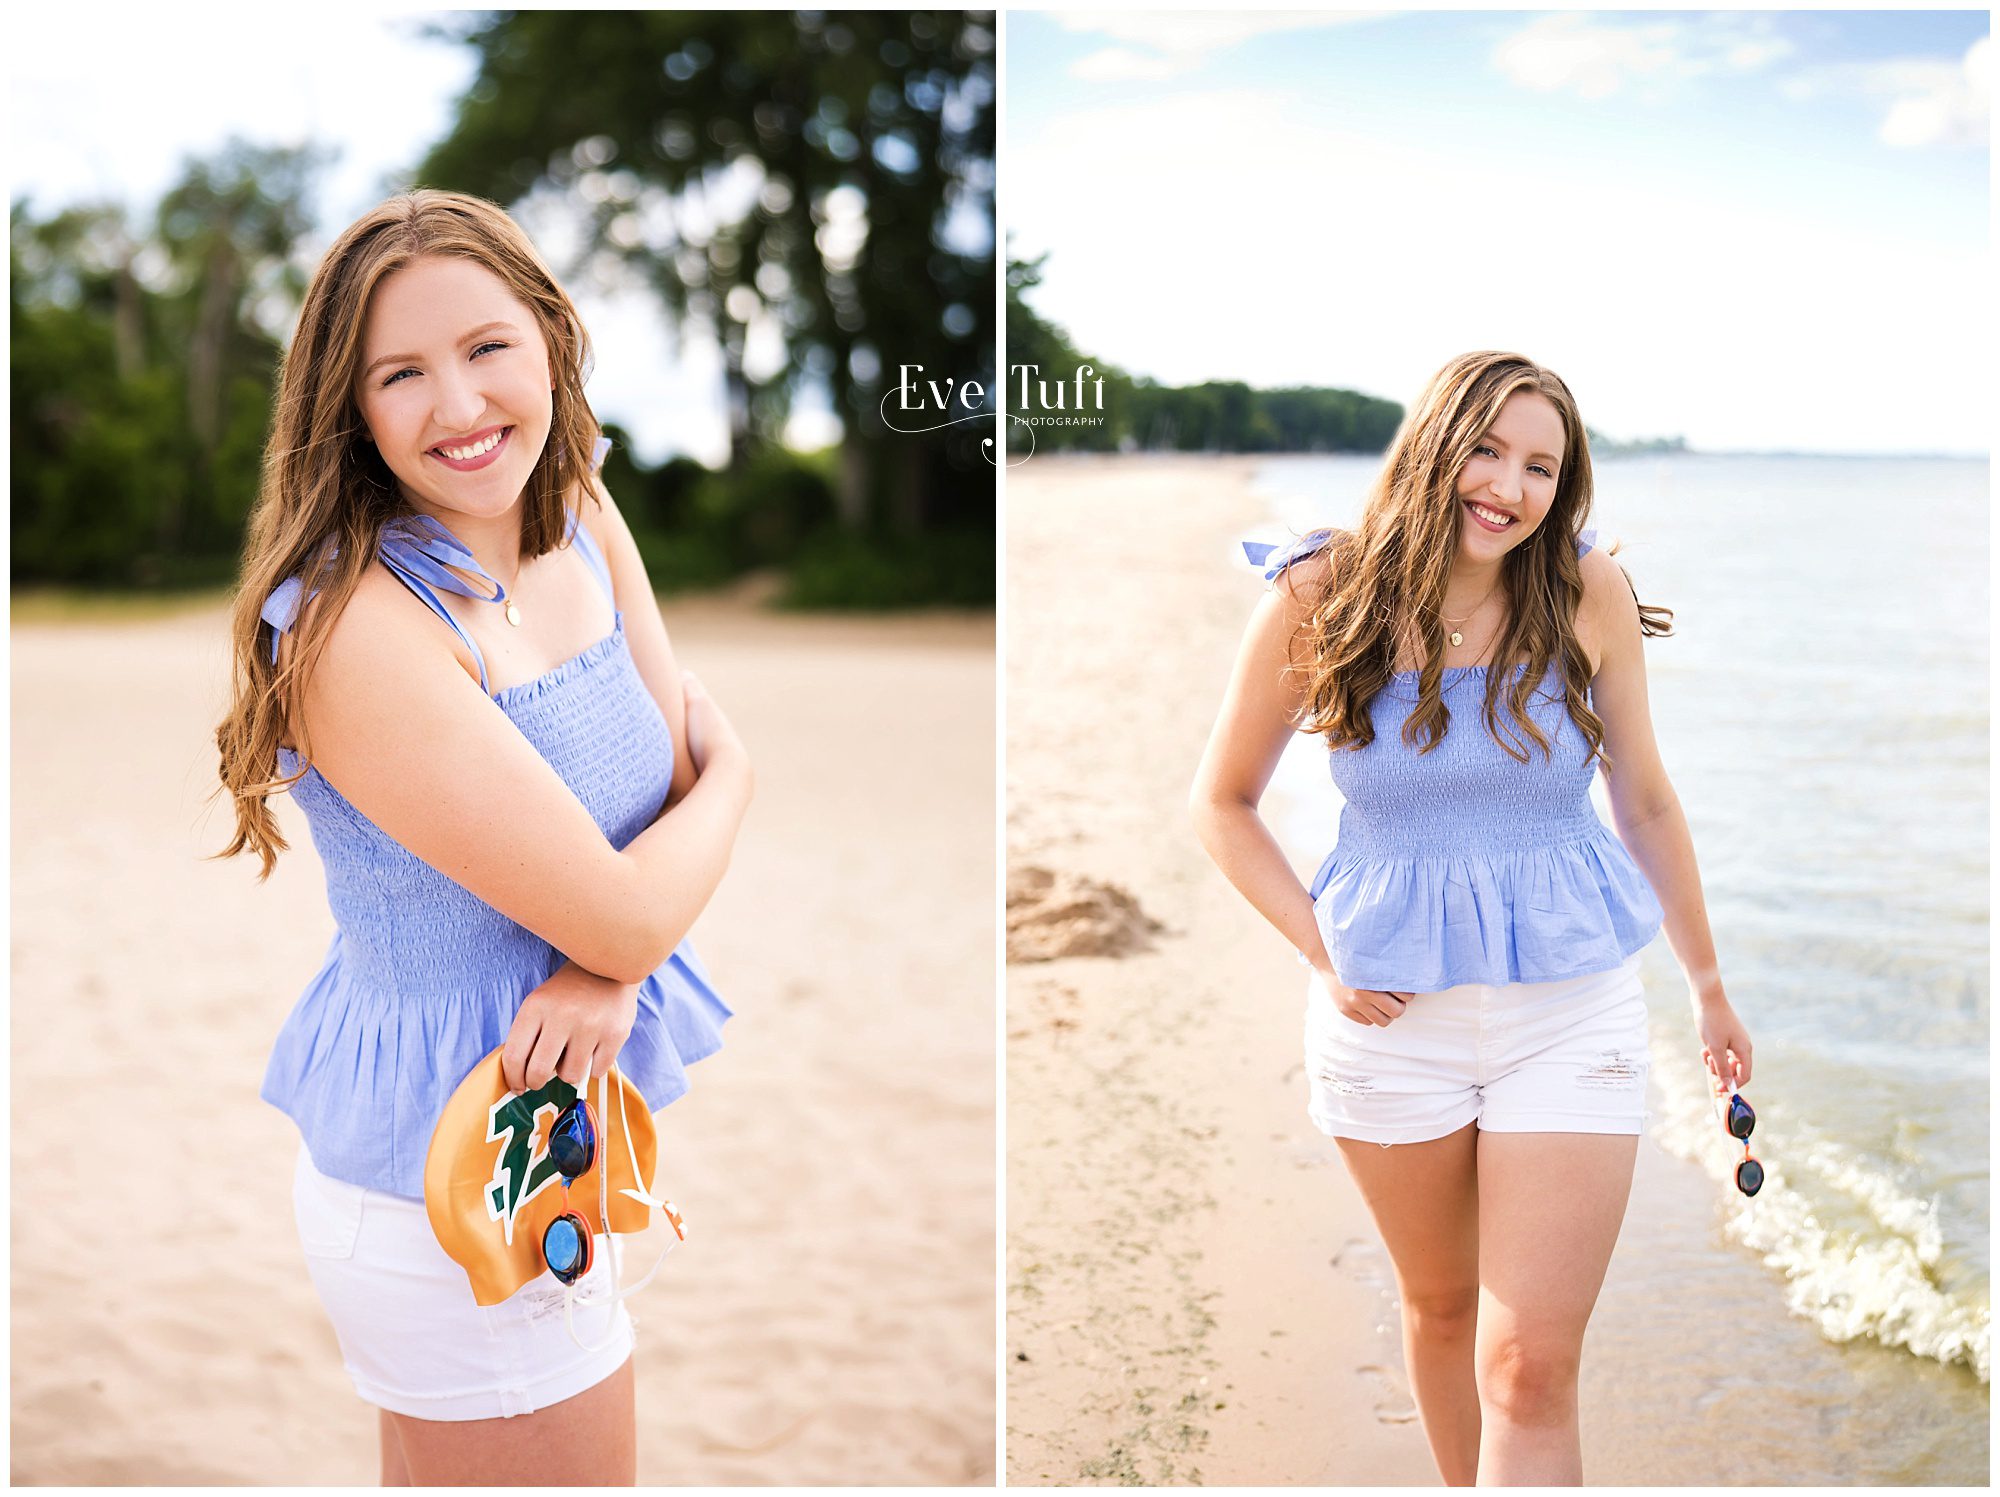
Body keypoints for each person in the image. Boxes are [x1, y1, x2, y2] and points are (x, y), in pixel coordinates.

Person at [212, 189, 753, 1485]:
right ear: (352, 408)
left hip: (553, 1136)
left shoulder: (580, 520)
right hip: (449, 1172)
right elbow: (660, 853)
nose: (458, 406)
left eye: (487, 348)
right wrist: (744, 775)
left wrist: (619, 943)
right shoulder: (357, 630)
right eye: (401, 373)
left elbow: (663, 784)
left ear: (552, 340)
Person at [1189, 351, 1752, 1486]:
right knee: (1440, 1310)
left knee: (1529, 1370)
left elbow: (1641, 797)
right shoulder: (1318, 593)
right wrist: (1321, 950)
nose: (1508, 485)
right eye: (1487, 450)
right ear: (1432, 446)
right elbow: (1219, 806)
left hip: (1569, 1012)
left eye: (1540, 465)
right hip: (1387, 1022)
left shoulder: (1581, 592)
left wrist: (1704, 985)